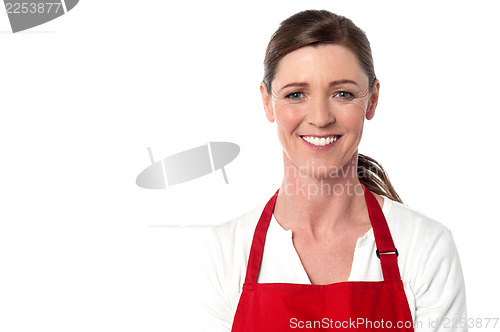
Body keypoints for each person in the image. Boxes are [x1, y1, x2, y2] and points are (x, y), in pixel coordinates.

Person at [199, 9, 467, 331]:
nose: (321, 117)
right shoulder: (225, 252)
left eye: (343, 93)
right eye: (296, 94)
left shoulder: (425, 247)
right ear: (268, 102)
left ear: (372, 100)